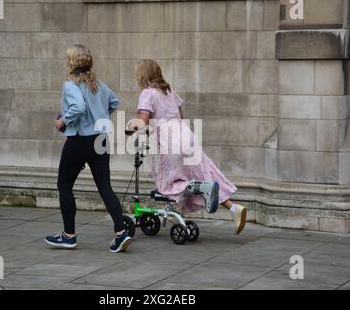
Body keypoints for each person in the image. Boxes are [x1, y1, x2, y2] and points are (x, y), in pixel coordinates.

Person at [129, 59, 247, 234]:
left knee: (167, 186)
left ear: (142, 75)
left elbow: (142, 121)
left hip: (170, 143)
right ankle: (233, 208)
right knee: (207, 173)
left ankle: (203, 189)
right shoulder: (168, 92)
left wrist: (130, 128)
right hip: (186, 137)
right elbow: (180, 115)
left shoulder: (148, 94)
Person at [45, 45, 131, 252]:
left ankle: (68, 236)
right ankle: (121, 233)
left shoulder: (70, 85)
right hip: (100, 139)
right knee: (105, 187)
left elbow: (79, 107)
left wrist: (63, 121)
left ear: (72, 63)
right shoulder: (98, 84)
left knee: (64, 186)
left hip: (79, 140)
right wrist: (99, 116)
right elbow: (114, 102)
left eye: (67, 58)